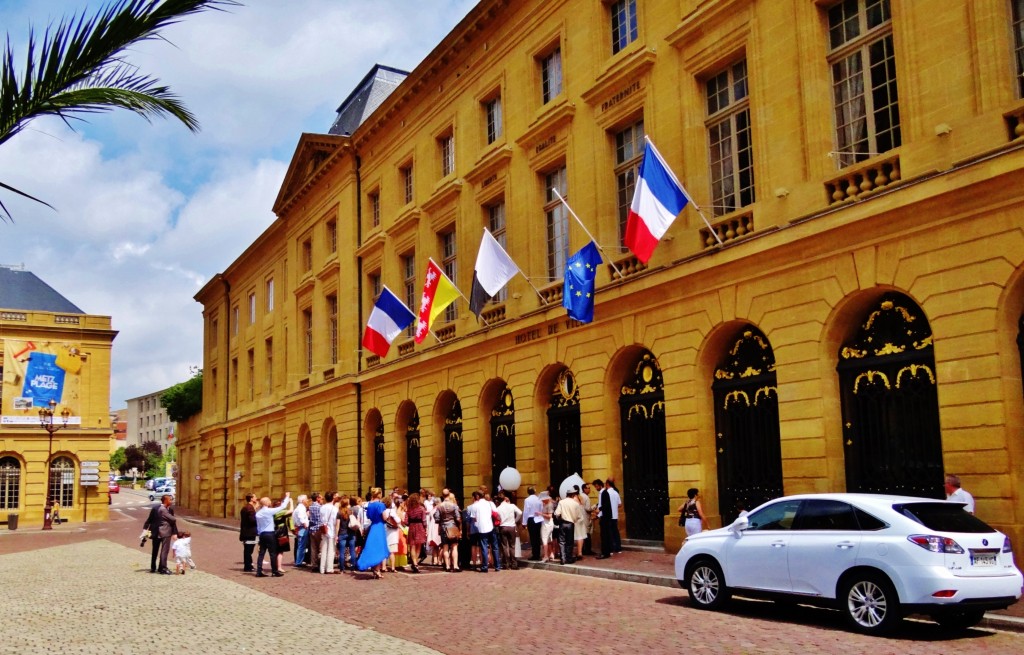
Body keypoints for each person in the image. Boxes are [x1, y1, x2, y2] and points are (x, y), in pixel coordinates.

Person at [255, 492, 291, 577]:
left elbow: (258, 526)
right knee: (273, 553)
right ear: (267, 503)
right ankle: (274, 571)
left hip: (262, 534)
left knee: (261, 553)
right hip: (270, 533)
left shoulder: (258, 513)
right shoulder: (269, 511)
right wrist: (287, 497)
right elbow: (282, 507)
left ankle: (259, 571)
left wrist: (260, 534)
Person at [357, 487, 389, 578]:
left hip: (373, 526)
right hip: (379, 527)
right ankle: (377, 570)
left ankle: (375, 569)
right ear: (379, 494)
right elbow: (384, 517)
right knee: (379, 549)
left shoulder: (369, 505)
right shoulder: (380, 505)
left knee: (373, 548)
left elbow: (368, 516)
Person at [468, 490, 500, 572]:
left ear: (477, 496)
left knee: (484, 548)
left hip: (481, 529)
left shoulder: (475, 506)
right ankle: (497, 566)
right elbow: (496, 513)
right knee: (495, 547)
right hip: (491, 527)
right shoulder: (490, 503)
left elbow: (474, 518)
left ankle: (485, 567)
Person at [434, 491, 462, 572]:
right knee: (454, 546)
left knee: (445, 547)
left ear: (442, 495)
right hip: (453, 527)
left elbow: (437, 518)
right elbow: (458, 518)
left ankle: (447, 566)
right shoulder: (454, 505)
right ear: (449, 495)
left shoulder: (439, 506)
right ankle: (456, 566)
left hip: (443, 528)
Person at [554, 487, 582, 564]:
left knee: (562, 541)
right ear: (573, 495)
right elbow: (579, 516)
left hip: (563, 523)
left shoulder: (561, 502)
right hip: (571, 524)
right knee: (570, 542)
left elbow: (557, 513)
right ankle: (569, 558)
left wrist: (559, 519)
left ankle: (563, 558)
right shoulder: (576, 504)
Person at [495, 492, 522, 569]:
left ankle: (506, 564)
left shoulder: (498, 509)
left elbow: (497, 518)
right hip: (511, 526)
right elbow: (520, 512)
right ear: (504, 499)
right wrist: (515, 520)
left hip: (503, 527)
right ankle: (514, 563)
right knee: (512, 546)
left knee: (504, 546)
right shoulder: (511, 506)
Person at [404, 492, 426, 573]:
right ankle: (415, 563)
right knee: (419, 546)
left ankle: (414, 563)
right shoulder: (421, 508)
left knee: (412, 546)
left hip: (412, 527)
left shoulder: (409, 510)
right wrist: (425, 528)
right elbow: (424, 520)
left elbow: (405, 521)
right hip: (420, 527)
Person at [155, 494, 177, 575]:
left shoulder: (164, 508)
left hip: (164, 531)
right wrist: (172, 517)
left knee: (164, 550)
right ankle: (163, 568)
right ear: (165, 501)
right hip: (165, 531)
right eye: (170, 500)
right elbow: (173, 519)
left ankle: (161, 567)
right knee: (165, 550)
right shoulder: (163, 509)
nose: (171, 501)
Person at [521, 486, 543, 561]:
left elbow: (526, 511)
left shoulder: (527, 500)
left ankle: (535, 554)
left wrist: (524, 522)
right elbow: (541, 509)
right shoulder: (539, 499)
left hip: (531, 518)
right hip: (538, 518)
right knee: (537, 537)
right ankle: (538, 553)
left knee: (533, 538)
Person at [319, 492, 339, 574]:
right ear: (333, 498)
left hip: (324, 529)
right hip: (332, 530)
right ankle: (329, 568)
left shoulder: (322, 507)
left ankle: (322, 568)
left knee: (323, 550)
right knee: (331, 550)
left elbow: (321, 518)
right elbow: (335, 521)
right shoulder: (334, 509)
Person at [143, 500, 165, 573]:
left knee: (163, 552)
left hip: (165, 533)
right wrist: (145, 530)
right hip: (155, 533)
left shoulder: (170, 509)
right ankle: (153, 567)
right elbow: (149, 520)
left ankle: (161, 567)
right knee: (155, 550)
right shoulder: (155, 509)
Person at [593, 479, 613, 560]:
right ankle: (606, 552)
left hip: (605, 517)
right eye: (595, 486)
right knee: (605, 535)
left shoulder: (603, 493)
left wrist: (599, 509)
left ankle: (605, 553)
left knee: (605, 535)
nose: (596, 488)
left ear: (600, 485)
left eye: (597, 486)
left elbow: (606, 504)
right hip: (604, 516)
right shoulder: (602, 493)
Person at [239, 493, 258, 572]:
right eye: (255, 497)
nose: (256, 498)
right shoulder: (250, 508)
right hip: (250, 532)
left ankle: (248, 565)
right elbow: (252, 520)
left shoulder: (245, 507)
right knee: (248, 550)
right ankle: (248, 566)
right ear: (251, 499)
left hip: (246, 532)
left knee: (248, 549)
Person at [292, 494, 310, 568]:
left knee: (301, 545)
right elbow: (301, 517)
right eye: (306, 499)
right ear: (303, 501)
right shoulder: (301, 508)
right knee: (301, 545)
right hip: (302, 528)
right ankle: (299, 561)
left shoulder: (299, 508)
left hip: (300, 527)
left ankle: (299, 560)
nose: (307, 500)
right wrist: (305, 524)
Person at [605, 478, 623, 554]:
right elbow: (620, 504)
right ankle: (618, 548)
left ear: (607, 484)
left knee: (609, 533)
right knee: (615, 532)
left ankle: (611, 548)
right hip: (615, 515)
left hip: (608, 515)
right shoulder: (616, 493)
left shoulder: (606, 493)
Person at [308, 492, 323, 568]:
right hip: (318, 529)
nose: (322, 500)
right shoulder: (320, 507)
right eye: (321, 498)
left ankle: (314, 565)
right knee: (320, 548)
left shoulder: (310, 507)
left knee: (313, 548)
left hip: (312, 529)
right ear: (317, 498)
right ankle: (321, 564)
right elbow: (321, 519)